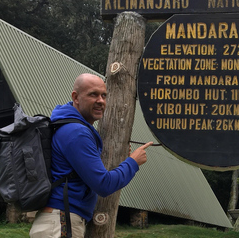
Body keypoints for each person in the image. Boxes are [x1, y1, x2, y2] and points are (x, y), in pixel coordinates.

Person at [30, 73, 152, 238]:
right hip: (61, 224)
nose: (101, 101)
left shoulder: (68, 125)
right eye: (93, 94)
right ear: (76, 97)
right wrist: (133, 163)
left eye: (104, 95)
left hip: (58, 221)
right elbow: (103, 185)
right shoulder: (77, 132)